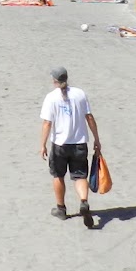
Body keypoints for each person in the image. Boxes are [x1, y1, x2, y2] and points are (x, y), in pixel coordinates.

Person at [39, 67, 101, 226]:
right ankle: (83, 202)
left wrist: (43, 145)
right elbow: (89, 117)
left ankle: (61, 208)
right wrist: (96, 139)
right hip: (79, 143)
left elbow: (47, 123)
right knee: (80, 176)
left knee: (58, 175)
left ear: (54, 81)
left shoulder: (51, 98)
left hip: (60, 144)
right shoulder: (80, 94)